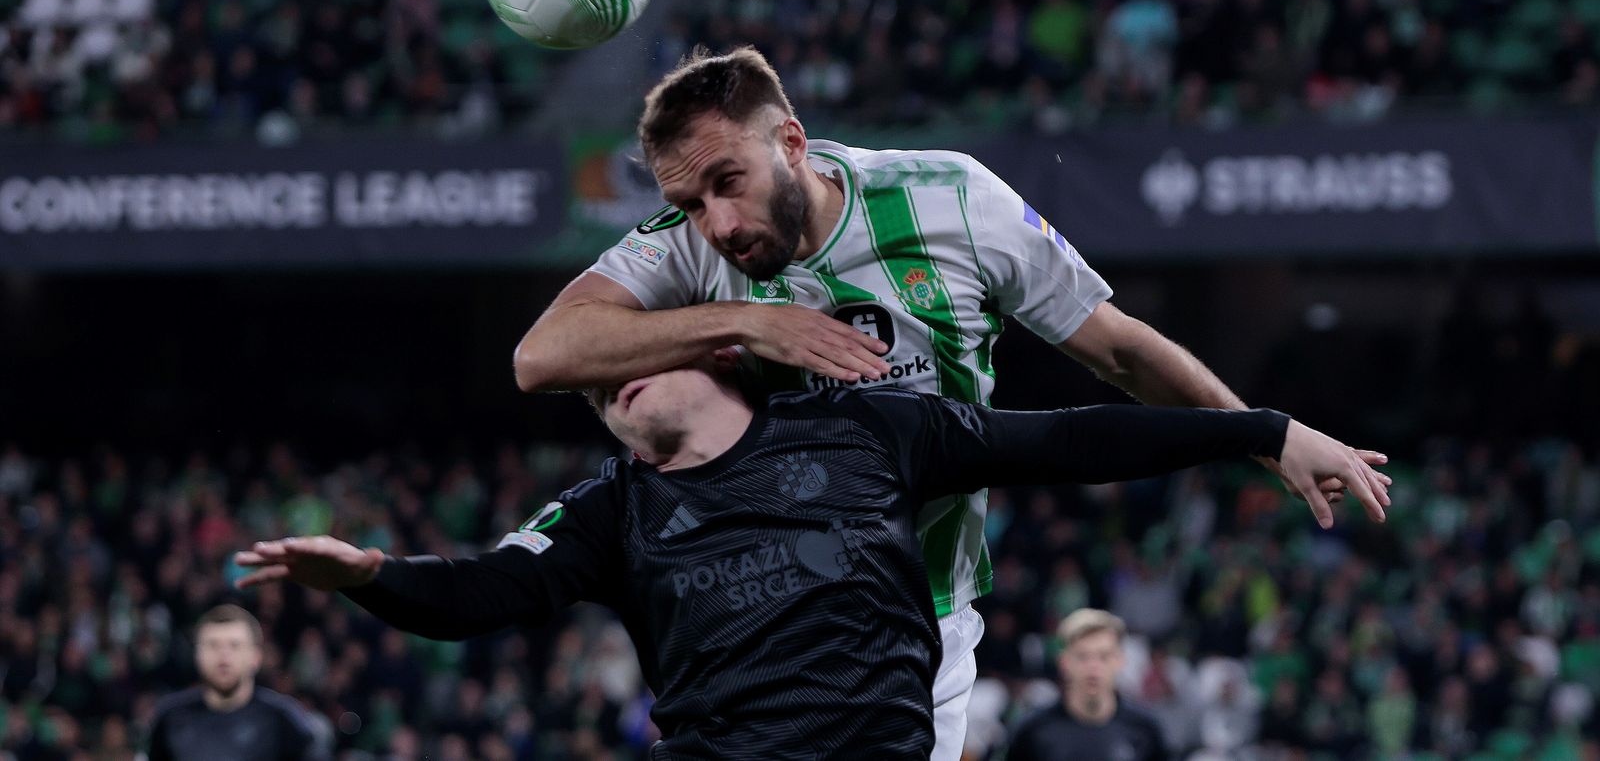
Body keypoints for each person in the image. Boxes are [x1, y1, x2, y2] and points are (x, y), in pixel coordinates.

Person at [510, 46, 1374, 759]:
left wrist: (1264, 435)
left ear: (793, 142)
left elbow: (1115, 348)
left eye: (728, 183)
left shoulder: (950, 197)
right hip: (763, 626)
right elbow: (543, 356)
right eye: (689, 204)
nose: (717, 225)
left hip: (921, 623)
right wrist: (751, 323)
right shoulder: (695, 251)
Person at [236, 359, 1388, 760]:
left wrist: (1263, 429)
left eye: (628, 363)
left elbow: (1075, 440)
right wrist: (368, 575)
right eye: (591, 394)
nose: (607, 389)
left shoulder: (872, 431)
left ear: (712, 351)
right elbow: (482, 591)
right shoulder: (607, 509)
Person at [144, 604, 329, 761]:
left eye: (234, 645)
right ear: (197, 655)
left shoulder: (284, 720)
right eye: (213, 645)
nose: (224, 655)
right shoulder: (170, 717)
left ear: (255, 656)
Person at [1006, 609, 1169, 761]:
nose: (1093, 666)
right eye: (1082, 656)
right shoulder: (1032, 731)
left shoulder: (1145, 729)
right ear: (1064, 661)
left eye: (1103, 656)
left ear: (1120, 660)